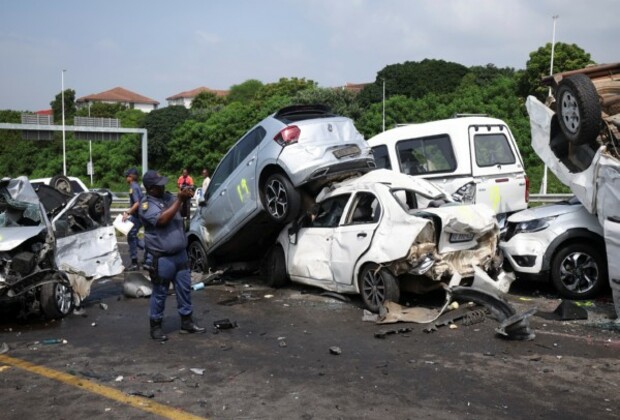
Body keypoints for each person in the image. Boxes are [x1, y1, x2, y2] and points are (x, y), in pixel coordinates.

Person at [139, 169, 205, 341]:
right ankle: (156, 326)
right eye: (159, 185)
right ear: (151, 188)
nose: (163, 187)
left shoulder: (168, 197)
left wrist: (184, 200)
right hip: (162, 258)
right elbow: (161, 220)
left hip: (180, 254)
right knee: (160, 292)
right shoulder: (146, 204)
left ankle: (187, 322)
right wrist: (179, 200)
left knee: (184, 290)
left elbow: (181, 214)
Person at [122, 168, 152, 271]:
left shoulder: (133, 187)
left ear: (132, 177)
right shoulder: (134, 186)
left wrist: (127, 213)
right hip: (138, 215)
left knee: (131, 235)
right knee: (132, 235)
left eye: (128, 176)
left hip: (137, 216)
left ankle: (134, 262)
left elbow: (137, 203)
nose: (126, 178)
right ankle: (149, 253)